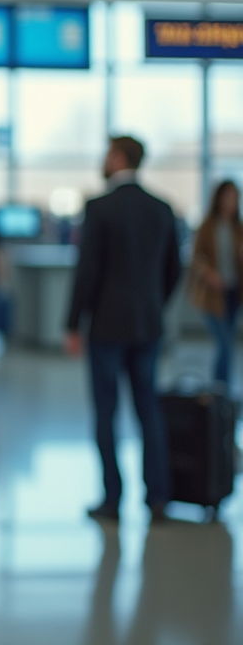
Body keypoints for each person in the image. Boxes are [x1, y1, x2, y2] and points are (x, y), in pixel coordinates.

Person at [65, 136, 180, 523]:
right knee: (149, 410)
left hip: (107, 327)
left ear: (119, 157)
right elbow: (173, 270)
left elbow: (88, 271)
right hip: (149, 324)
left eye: (108, 153)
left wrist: (72, 322)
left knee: (107, 411)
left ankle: (113, 500)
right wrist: (153, 304)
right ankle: (158, 498)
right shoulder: (162, 208)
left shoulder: (100, 207)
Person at [188, 180, 243, 389]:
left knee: (227, 345)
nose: (230, 202)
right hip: (212, 295)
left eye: (234, 198)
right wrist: (209, 273)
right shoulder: (208, 226)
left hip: (233, 293)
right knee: (225, 345)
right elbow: (196, 258)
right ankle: (220, 390)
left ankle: (222, 393)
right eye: (226, 197)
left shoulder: (238, 228)